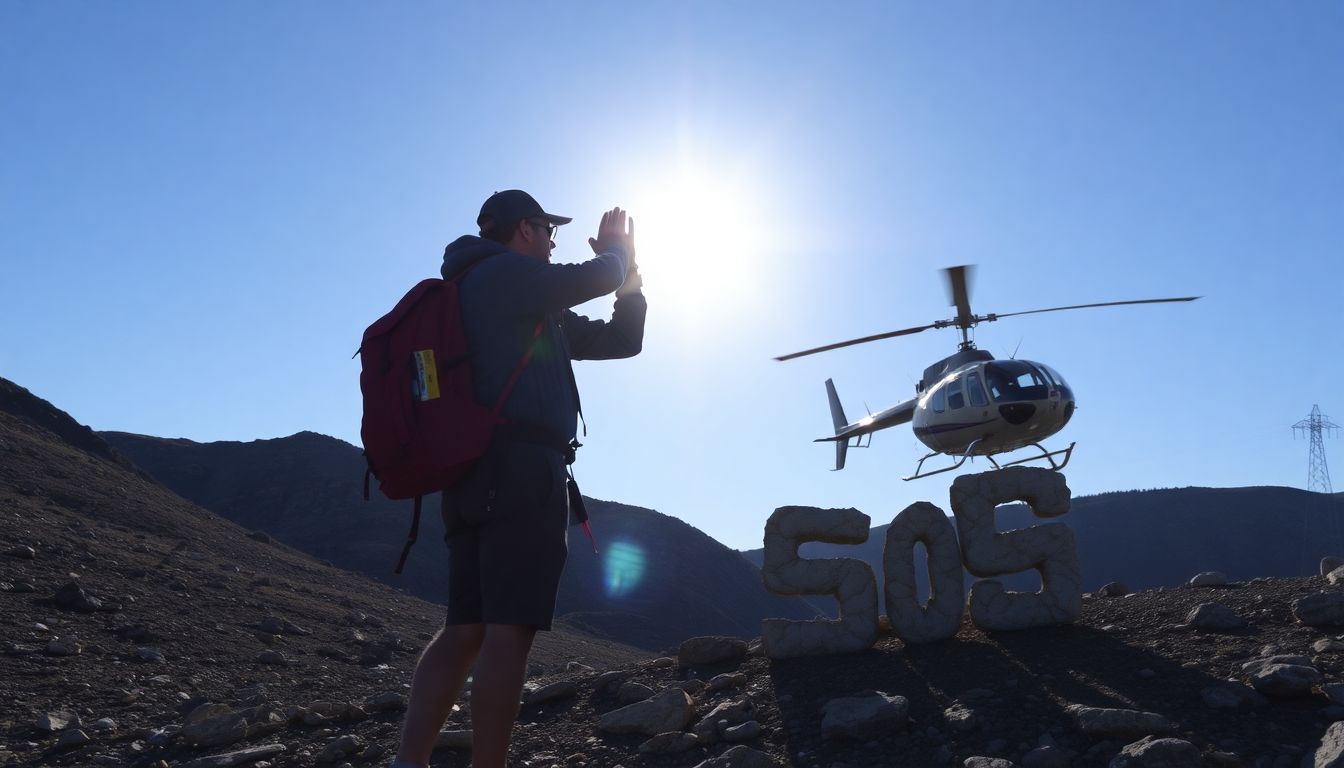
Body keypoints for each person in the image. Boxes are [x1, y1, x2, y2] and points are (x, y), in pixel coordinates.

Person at [392, 190, 645, 768]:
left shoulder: (496, 297)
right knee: (508, 631)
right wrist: (618, 255)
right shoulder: (502, 277)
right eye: (549, 231)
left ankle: (410, 762)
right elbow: (599, 275)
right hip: (520, 472)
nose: (555, 243)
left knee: (466, 629)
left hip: (470, 477)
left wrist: (632, 276)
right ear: (524, 231)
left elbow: (621, 341)